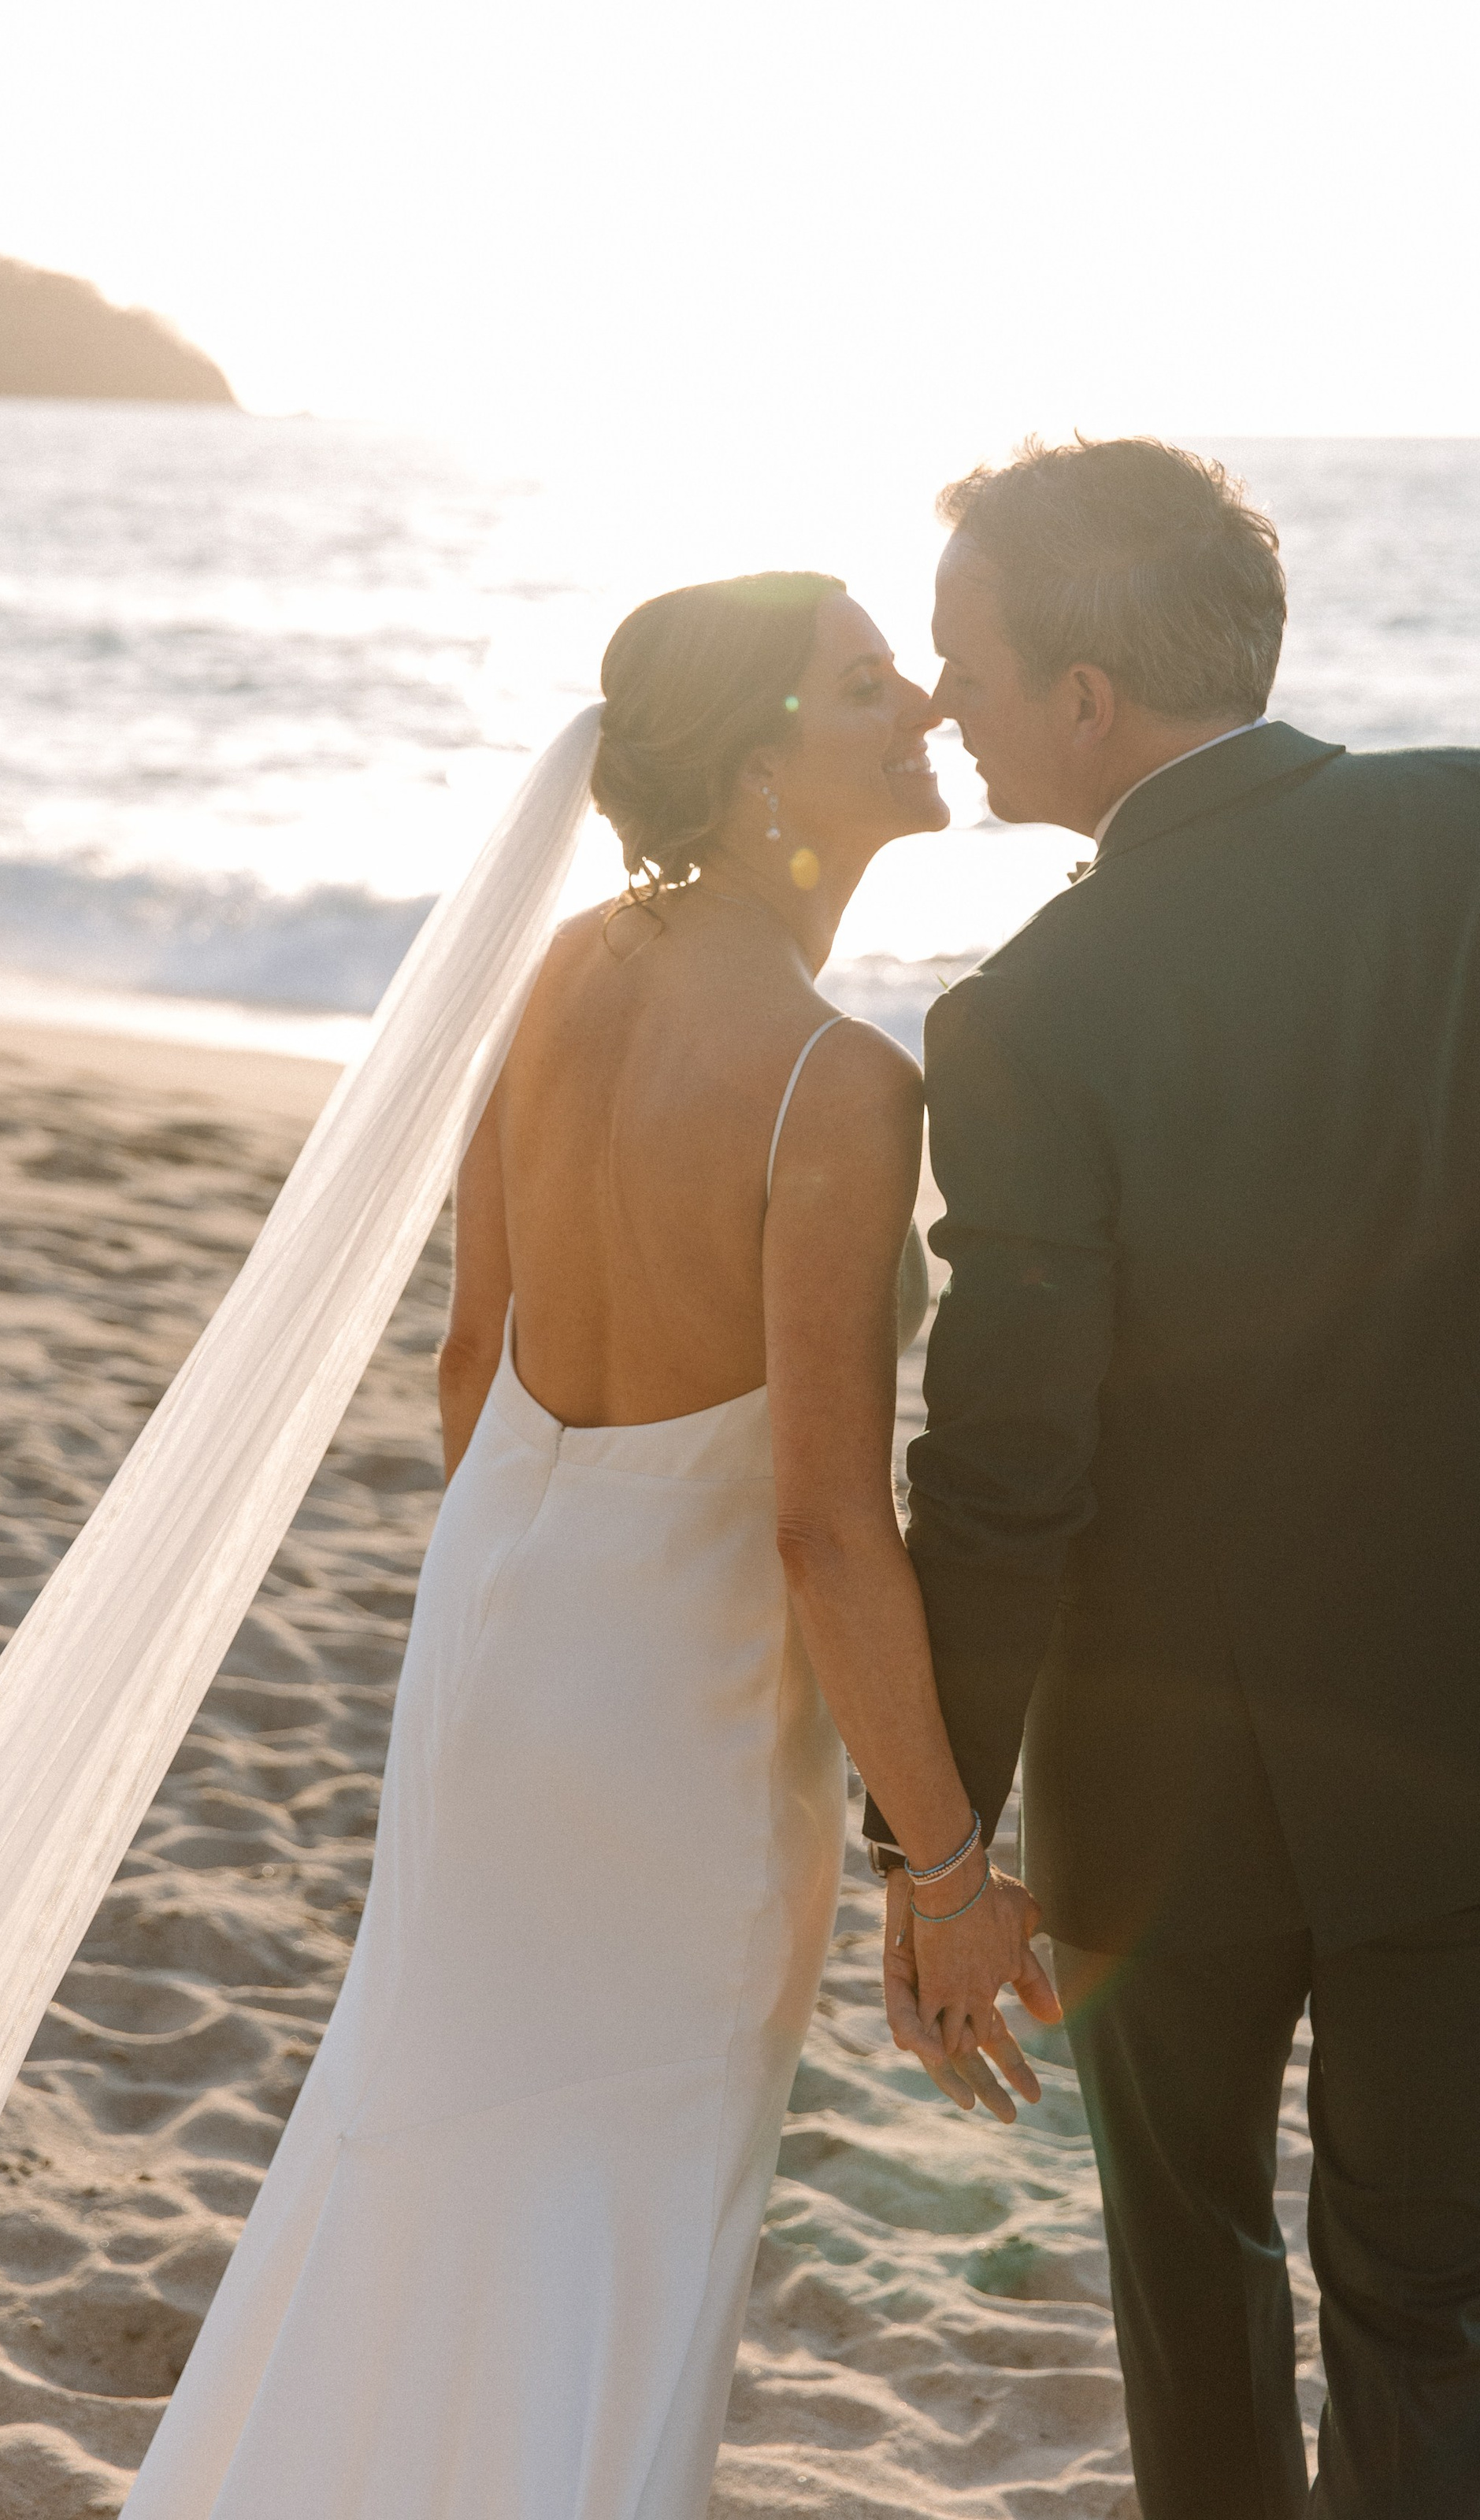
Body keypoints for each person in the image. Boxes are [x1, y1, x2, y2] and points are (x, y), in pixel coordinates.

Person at [124, 570, 1054, 2520]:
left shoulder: (556, 974)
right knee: (627, 2218)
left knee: (423, 2138)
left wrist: (553, 1582)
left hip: (500, 1640)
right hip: (683, 1725)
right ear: (749, 771)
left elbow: (476, 1361)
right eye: (865, 689)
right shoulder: (841, 1084)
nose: (925, 714)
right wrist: (948, 1863)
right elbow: (815, 1520)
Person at [873, 438, 1480, 2519]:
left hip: (1175, 1775)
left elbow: (1003, 1477)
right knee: (1442, 2303)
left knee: (1194, 2269)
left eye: (966, 662)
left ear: (1086, 698)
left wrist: (943, 1835)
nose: (943, 703)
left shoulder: (1034, 1014)